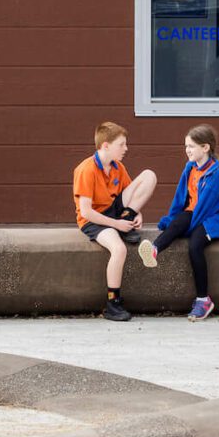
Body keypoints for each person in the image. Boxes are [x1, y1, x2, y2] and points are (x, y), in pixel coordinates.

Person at [139, 124, 219, 320]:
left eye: (191, 146)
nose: (187, 150)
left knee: (195, 245)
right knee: (177, 222)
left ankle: (203, 300)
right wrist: (173, 220)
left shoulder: (216, 174)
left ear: (205, 148)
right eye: (186, 146)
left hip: (213, 218)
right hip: (194, 212)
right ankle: (154, 250)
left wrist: (185, 227)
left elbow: (205, 207)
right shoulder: (190, 167)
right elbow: (180, 197)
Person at [72, 122, 158, 322]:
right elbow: (86, 211)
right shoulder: (86, 170)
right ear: (105, 146)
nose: (126, 149)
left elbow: (132, 193)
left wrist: (136, 214)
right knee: (119, 249)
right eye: (122, 145)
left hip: (116, 212)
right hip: (94, 220)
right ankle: (113, 304)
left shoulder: (118, 167)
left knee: (149, 175)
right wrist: (116, 224)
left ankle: (128, 221)